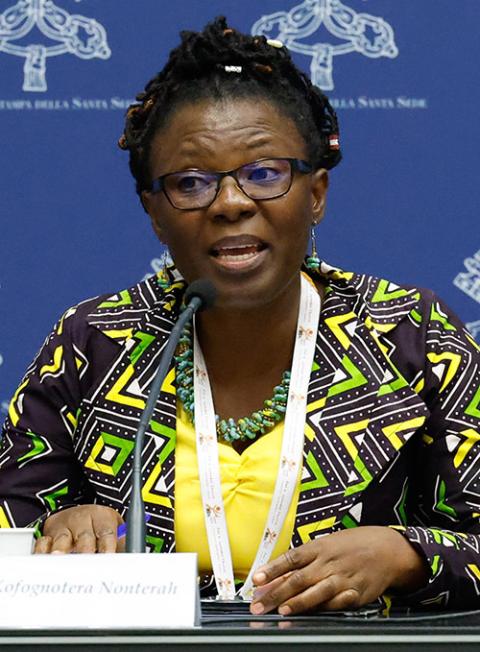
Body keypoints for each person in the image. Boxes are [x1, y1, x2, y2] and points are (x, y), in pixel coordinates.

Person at [1, 16, 480, 615]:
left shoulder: (410, 333)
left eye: (263, 173)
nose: (231, 203)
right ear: (155, 212)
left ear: (316, 195)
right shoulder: (93, 341)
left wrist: (405, 556)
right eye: (192, 182)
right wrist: (58, 529)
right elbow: (9, 536)